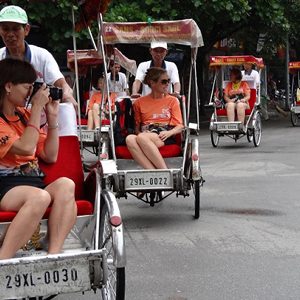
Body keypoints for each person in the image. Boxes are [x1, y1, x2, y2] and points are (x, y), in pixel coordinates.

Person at [0, 58, 77, 259]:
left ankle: (53, 255)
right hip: (6, 187)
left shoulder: (24, 115)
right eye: (27, 87)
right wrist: (36, 109)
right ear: (8, 86)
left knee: (66, 185)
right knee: (40, 197)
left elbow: (50, 156)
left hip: (33, 184)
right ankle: (3, 259)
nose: (30, 92)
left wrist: (52, 119)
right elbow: (25, 148)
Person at [0, 5, 76, 107]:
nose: (10, 34)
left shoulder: (42, 56)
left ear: (26, 29)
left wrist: (67, 94)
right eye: (5, 29)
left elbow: (62, 84)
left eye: (15, 29)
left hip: (41, 118)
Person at [126, 67, 183, 169]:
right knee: (130, 139)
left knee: (142, 137)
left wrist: (169, 133)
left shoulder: (172, 101)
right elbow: (137, 128)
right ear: (152, 83)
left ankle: (163, 170)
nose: (167, 84)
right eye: (164, 82)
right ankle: (152, 172)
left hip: (164, 134)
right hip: (146, 132)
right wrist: (141, 134)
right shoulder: (139, 102)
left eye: (168, 81)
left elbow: (180, 126)